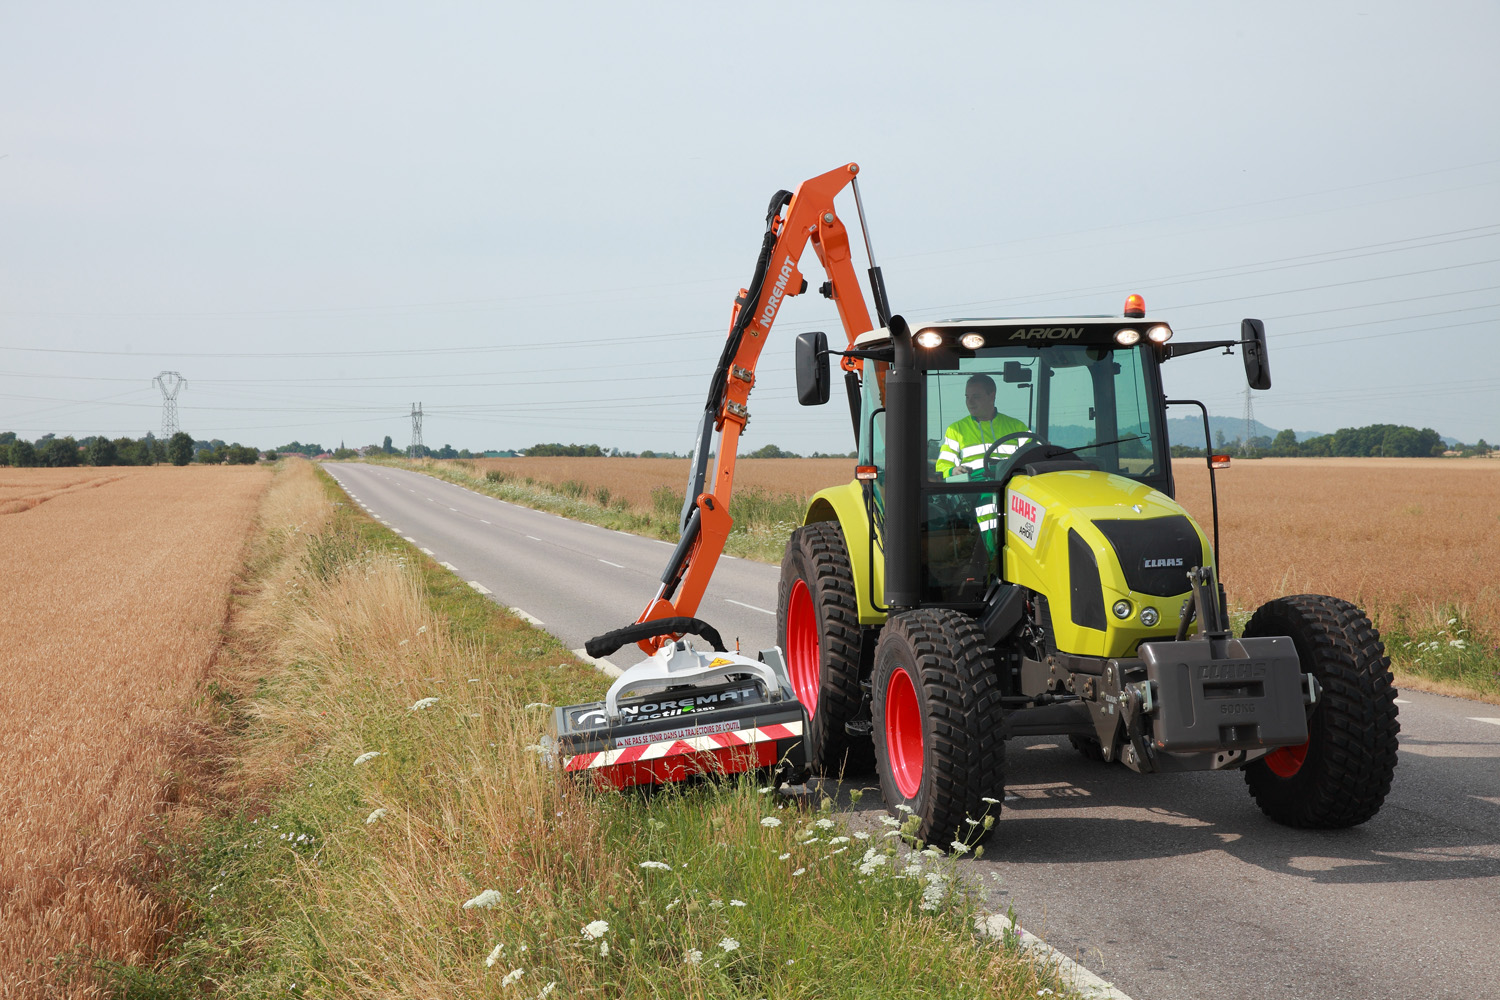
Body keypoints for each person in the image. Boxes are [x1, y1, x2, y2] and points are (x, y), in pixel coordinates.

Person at [934, 374, 1030, 478]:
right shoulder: (956, 430)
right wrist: (952, 471)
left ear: (992, 396)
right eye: (967, 397)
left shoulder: (1017, 427)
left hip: (1011, 486)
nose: (969, 402)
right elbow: (943, 466)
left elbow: (1036, 457)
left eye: (976, 397)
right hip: (974, 489)